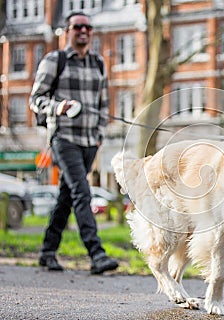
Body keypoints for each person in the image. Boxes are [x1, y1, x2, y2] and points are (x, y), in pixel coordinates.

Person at [30, 12, 118, 274]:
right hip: (64, 138)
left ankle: (47, 252)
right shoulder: (54, 60)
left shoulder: (98, 63)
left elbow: (104, 104)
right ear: (67, 31)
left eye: (88, 27)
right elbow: (36, 99)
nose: (84, 31)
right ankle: (96, 253)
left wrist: (100, 134)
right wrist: (59, 107)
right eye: (78, 26)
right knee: (82, 192)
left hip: (90, 141)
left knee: (67, 197)